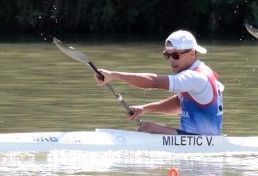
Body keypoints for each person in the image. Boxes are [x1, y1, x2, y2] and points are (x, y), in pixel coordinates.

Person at [94, 30, 224, 135]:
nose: (171, 60)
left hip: (203, 142)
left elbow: (154, 81)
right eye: (167, 55)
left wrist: (113, 75)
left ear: (192, 53)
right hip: (196, 139)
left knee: (149, 128)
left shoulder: (196, 77)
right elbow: (179, 104)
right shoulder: (199, 72)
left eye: (176, 56)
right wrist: (144, 109)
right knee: (148, 126)